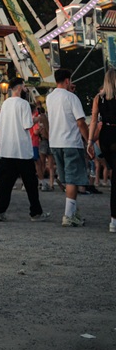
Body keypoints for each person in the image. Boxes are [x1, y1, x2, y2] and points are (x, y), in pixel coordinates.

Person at [0, 77, 50, 222]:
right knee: (31, 183)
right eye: (24, 87)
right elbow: (27, 124)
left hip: (7, 150)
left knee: (5, 183)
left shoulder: (5, 104)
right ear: (19, 88)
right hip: (22, 151)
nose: (25, 90)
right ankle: (35, 212)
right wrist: (36, 119)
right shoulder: (24, 104)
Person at [46, 68, 91, 227]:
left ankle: (73, 211)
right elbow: (80, 122)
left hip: (55, 141)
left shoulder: (49, 98)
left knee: (67, 178)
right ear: (67, 80)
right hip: (71, 141)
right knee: (73, 179)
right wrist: (89, 141)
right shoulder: (72, 98)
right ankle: (68, 215)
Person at [87, 67, 116, 233]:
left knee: (113, 172)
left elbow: (93, 121)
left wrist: (90, 141)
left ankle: (113, 220)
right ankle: (114, 218)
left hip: (105, 137)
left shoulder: (99, 98)